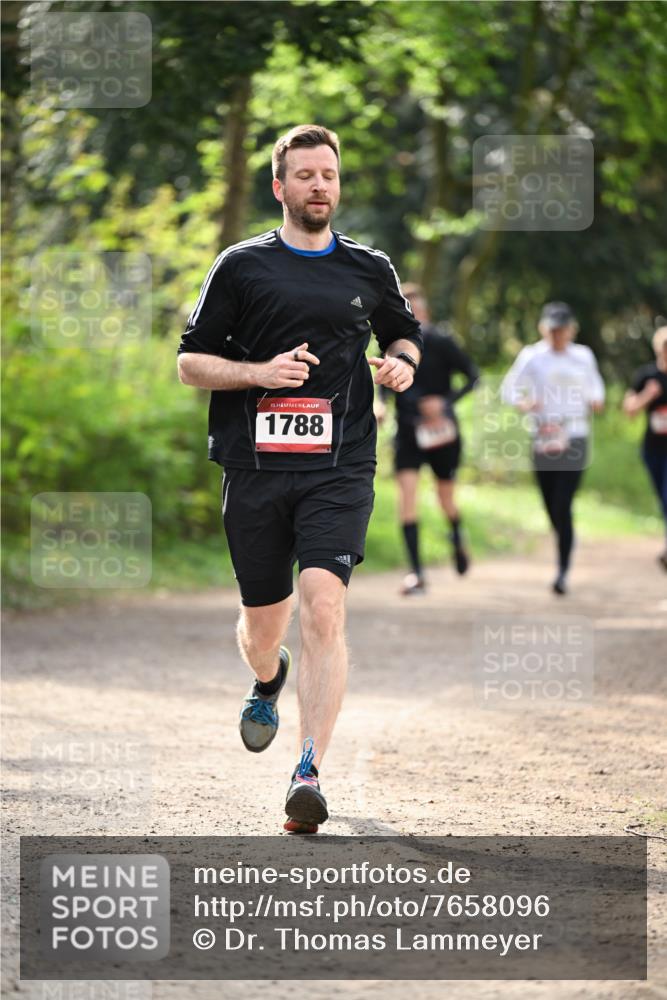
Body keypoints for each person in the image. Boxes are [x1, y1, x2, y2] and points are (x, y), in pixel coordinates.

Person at [177, 124, 422, 833]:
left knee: (324, 607)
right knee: (265, 624)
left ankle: (308, 770)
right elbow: (191, 364)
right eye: (305, 175)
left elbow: (401, 332)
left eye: (329, 175)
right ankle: (265, 678)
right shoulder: (241, 267)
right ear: (280, 187)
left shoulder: (368, 267)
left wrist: (402, 361)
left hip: (339, 465)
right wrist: (257, 373)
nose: (320, 186)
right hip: (253, 469)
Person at [376, 284, 479, 595]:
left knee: (445, 498)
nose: (413, 314)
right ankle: (417, 573)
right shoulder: (392, 346)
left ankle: (457, 532)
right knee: (407, 499)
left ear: (426, 311)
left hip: (442, 432)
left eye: (417, 308)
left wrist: (444, 403)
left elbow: (473, 376)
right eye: (407, 309)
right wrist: (379, 405)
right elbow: (382, 383)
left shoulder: (442, 341)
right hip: (408, 432)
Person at [501, 302, 605, 595]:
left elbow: (597, 387)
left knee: (563, 502)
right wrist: (524, 403)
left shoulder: (583, 356)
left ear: (571, 329)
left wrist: (595, 400)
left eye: (562, 330)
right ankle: (566, 537)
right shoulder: (532, 356)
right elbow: (508, 389)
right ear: (544, 329)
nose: (557, 335)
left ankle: (562, 571)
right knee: (550, 504)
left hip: (574, 435)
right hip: (544, 435)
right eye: (552, 330)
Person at [623, 326, 667, 570]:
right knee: (663, 499)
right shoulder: (646, 376)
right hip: (653, 450)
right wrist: (647, 396)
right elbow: (629, 409)